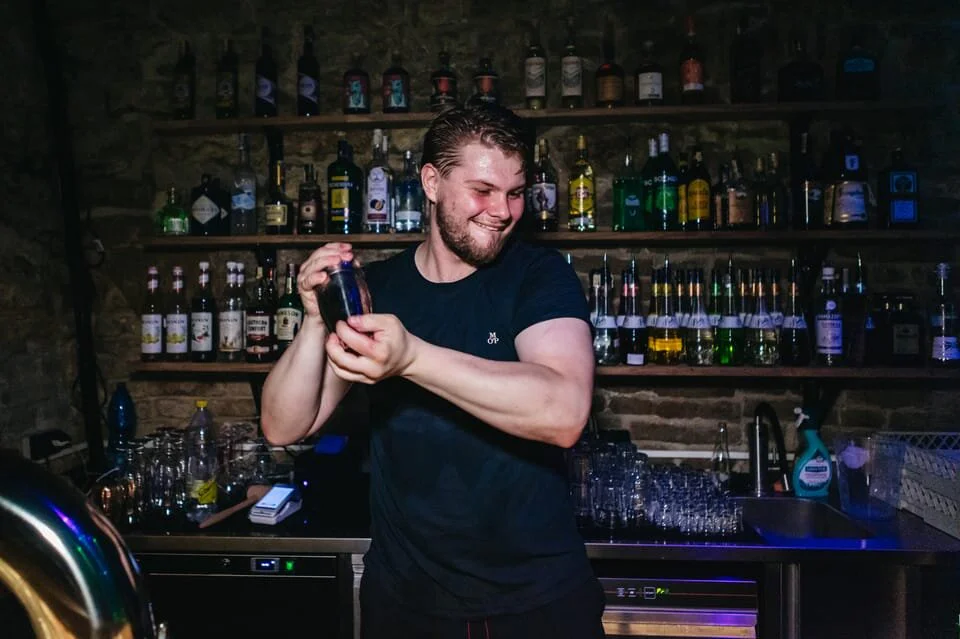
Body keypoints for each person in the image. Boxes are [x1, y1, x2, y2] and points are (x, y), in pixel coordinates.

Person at [261, 105, 604, 638]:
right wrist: (313, 320)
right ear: (431, 183)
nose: (503, 211)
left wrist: (413, 358)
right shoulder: (380, 289)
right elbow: (284, 425)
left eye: (515, 193)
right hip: (405, 605)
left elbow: (564, 412)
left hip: (536, 603)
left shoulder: (539, 277)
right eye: (483, 190)